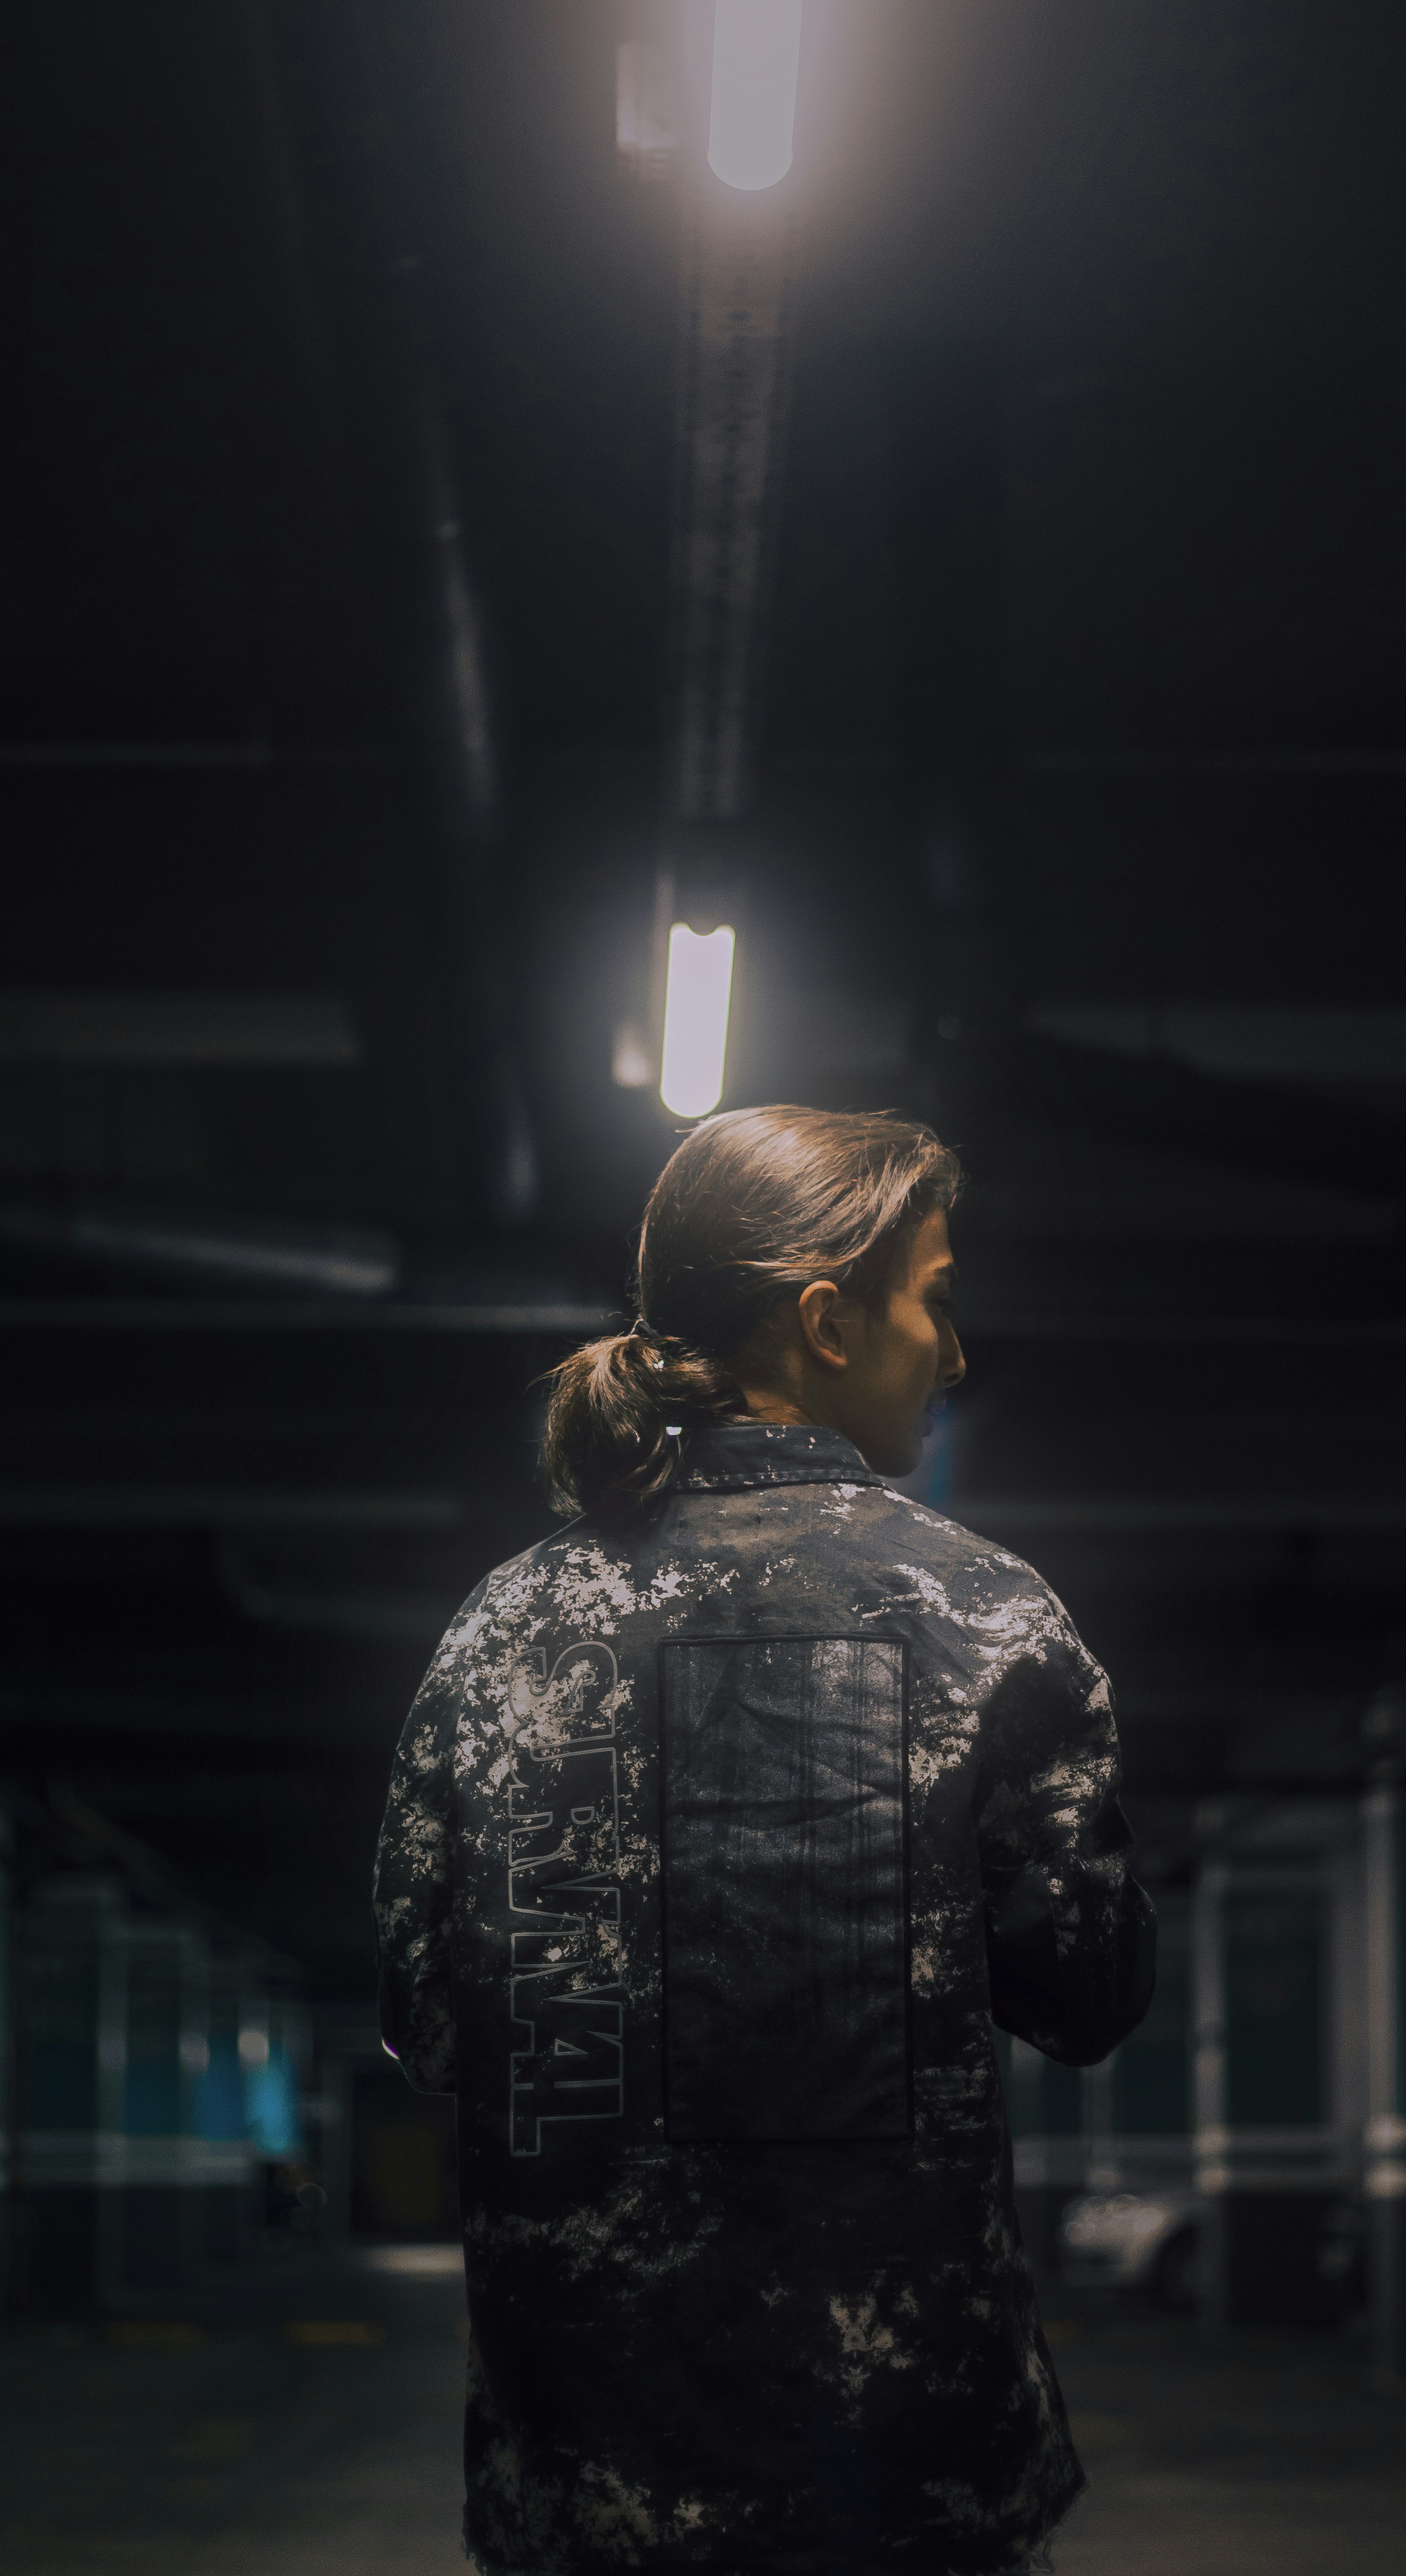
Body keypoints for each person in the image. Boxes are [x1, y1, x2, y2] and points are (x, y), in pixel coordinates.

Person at [375, 1104, 1156, 2576]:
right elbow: (1091, 1992)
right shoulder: (982, 1619)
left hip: (584, 2484)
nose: (959, 1347)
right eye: (935, 1295)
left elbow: (428, 2015)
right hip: (901, 2487)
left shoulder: (501, 1637)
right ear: (827, 1321)